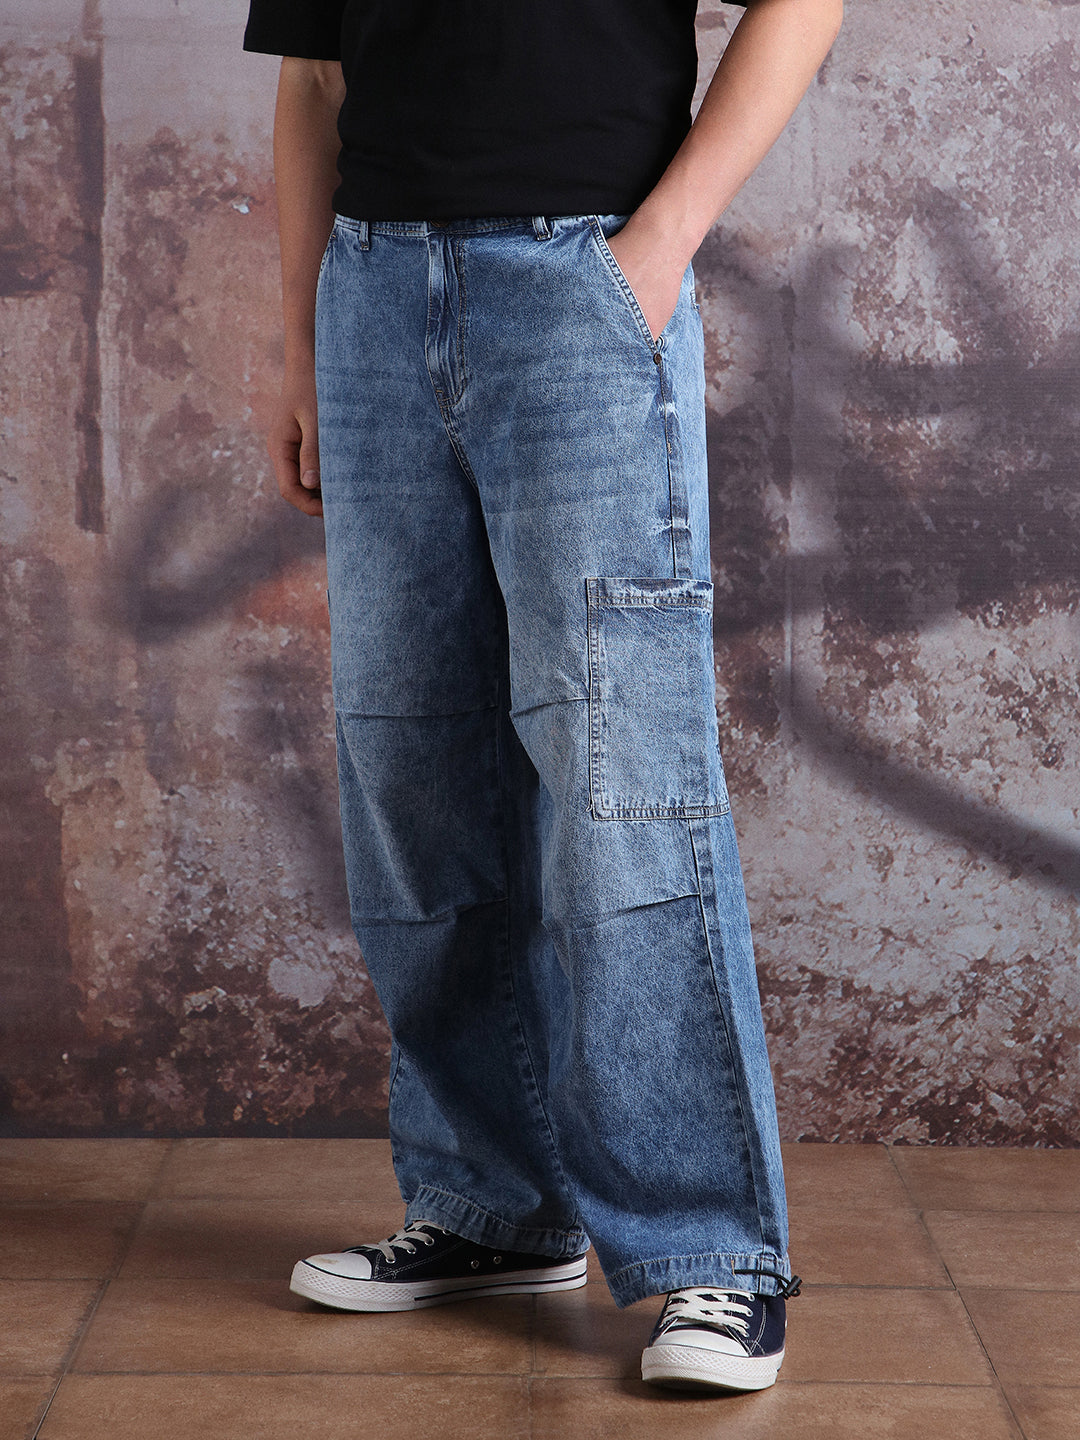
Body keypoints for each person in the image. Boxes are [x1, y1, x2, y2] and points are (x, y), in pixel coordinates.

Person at [243, 0, 841, 1394]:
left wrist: (660, 243)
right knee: (411, 766)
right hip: (373, 291)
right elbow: (315, 79)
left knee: (621, 775)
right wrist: (300, 340)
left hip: (581, 273)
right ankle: (491, 1206)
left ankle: (712, 1253)